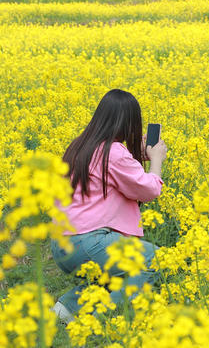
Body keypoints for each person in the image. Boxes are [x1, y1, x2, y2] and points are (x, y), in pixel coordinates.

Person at [51, 89, 167, 323]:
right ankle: (103, 321)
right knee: (153, 260)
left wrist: (135, 157)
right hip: (86, 242)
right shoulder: (114, 153)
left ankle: (66, 310)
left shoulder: (81, 146)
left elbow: (115, 173)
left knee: (117, 274)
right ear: (129, 124)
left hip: (62, 244)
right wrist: (156, 160)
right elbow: (149, 189)